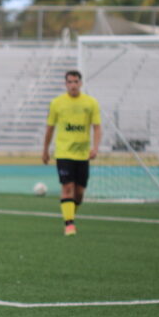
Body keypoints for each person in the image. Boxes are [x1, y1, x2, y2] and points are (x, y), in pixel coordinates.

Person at [42, 70, 102, 236]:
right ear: (66, 84)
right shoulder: (57, 103)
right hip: (63, 152)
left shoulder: (91, 103)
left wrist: (95, 148)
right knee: (67, 187)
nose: (73, 85)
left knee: (79, 193)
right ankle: (69, 224)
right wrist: (45, 150)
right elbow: (50, 128)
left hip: (83, 154)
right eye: (70, 82)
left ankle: (70, 214)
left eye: (76, 82)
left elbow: (97, 127)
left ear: (81, 83)